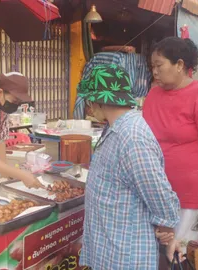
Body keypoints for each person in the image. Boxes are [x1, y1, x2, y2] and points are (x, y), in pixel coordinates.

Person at [78, 64, 181, 269]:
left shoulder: (132, 137)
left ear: (96, 101)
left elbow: (160, 195)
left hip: (125, 253)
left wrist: (166, 229)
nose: (89, 108)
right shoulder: (115, 128)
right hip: (110, 244)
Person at [143, 37, 198, 262]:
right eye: (152, 66)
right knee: (156, 256)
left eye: (159, 65)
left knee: (181, 256)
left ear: (180, 65)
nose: (155, 72)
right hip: (156, 194)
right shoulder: (153, 96)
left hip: (189, 197)